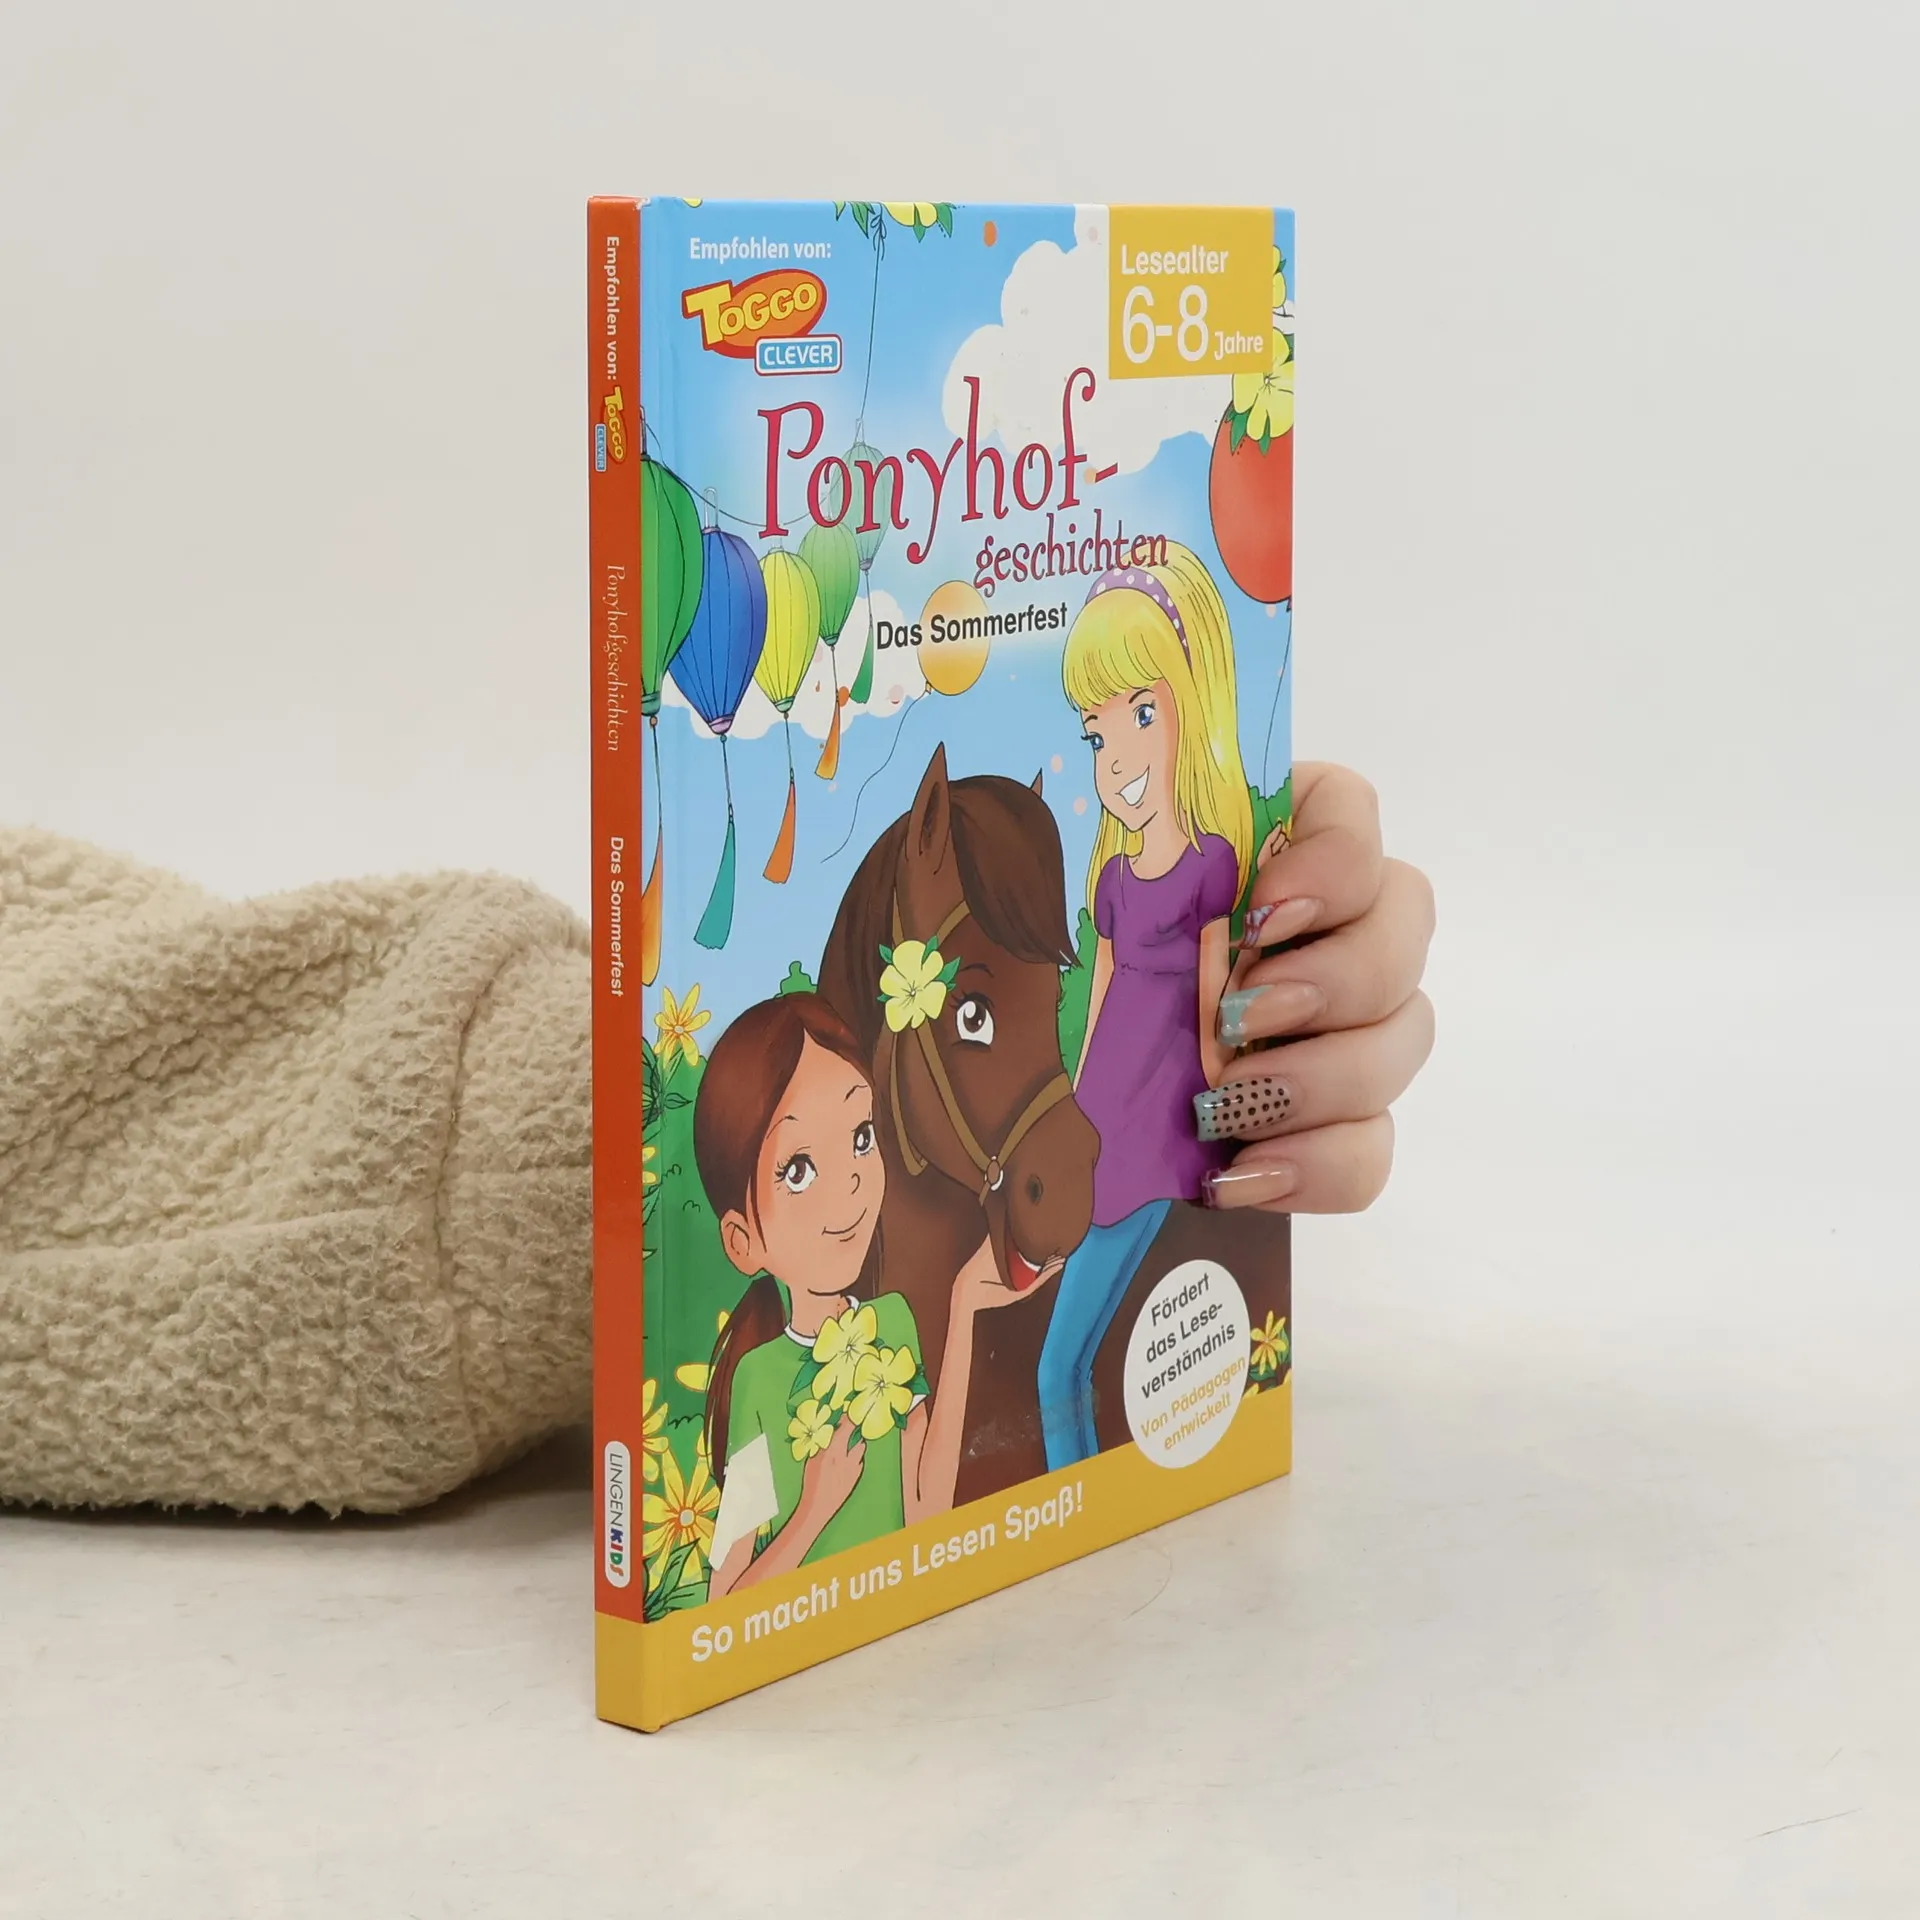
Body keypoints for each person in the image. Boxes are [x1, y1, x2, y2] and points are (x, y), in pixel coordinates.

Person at [694, 992, 1004, 1599]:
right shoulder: (759, 1380)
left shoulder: (893, 1325)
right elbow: (723, 1604)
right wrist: (813, 1511)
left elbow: (928, 1514)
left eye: (862, 1137)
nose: (852, 1179)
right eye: (799, 1170)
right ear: (742, 1241)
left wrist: (965, 1306)